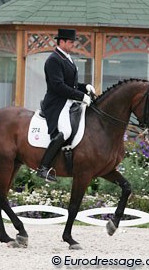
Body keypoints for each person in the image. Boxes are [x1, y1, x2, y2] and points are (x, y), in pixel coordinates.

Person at [37, 28, 96, 182]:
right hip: (57, 103)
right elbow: (58, 86)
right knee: (66, 130)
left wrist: (85, 87)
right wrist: (81, 96)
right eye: (70, 42)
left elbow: (72, 84)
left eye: (73, 42)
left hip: (69, 101)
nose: (72, 45)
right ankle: (43, 167)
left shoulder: (67, 58)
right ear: (61, 42)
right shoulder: (53, 60)